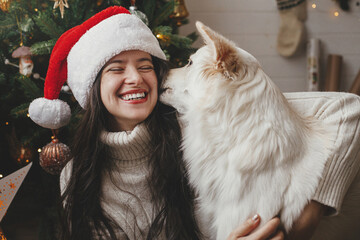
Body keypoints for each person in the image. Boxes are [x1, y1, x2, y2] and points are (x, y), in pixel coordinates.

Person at [28, 5, 360, 240]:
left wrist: (312, 211)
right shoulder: (77, 174)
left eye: (145, 66)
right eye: (116, 69)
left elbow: (348, 111)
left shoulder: (201, 123)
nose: (136, 79)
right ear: (92, 88)